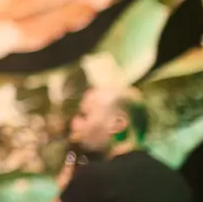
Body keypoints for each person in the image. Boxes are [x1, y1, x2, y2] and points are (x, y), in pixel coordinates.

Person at [57, 86, 192, 202]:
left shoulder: (94, 177)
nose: (74, 124)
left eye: (83, 115)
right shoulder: (175, 180)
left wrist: (68, 190)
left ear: (118, 124)